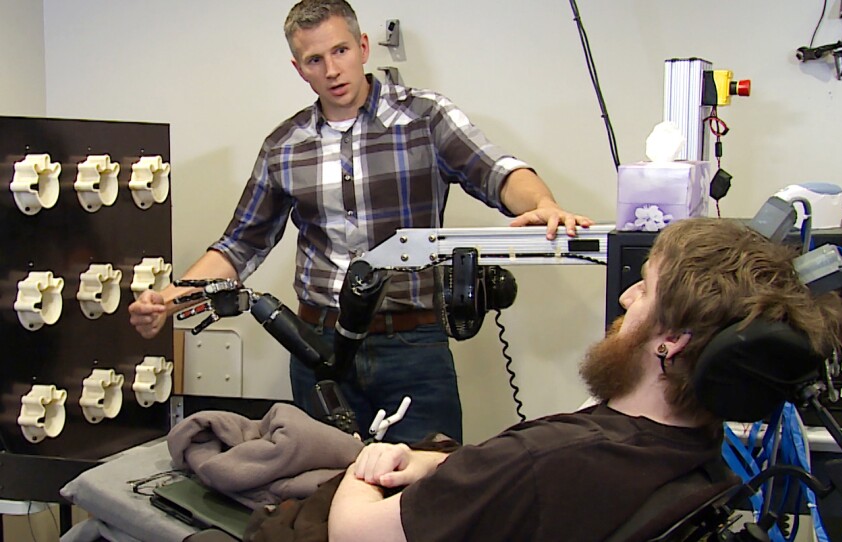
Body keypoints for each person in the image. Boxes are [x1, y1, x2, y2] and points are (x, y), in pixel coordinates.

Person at [128, 0, 593, 444]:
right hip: (318, 350)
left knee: (425, 495)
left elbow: (497, 171)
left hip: (412, 347)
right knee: (325, 499)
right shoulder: (284, 146)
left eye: (340, 51)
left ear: (363, 47)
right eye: (314, 60)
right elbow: (239, 245)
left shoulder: (425, 118)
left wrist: (544, 204)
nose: (331, 70)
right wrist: (171, 297)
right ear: (298, 68)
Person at [325, 217, 842, 542]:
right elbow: (512, 485)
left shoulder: (549, 461)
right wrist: (435, 464)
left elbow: (354, 535)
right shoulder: (694, 447)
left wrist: (364, 467)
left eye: (643, 290)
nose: (625, 298)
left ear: (673, 342)